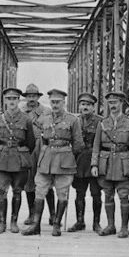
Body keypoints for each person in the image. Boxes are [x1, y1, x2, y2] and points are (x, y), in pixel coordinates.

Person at [22, 89, 84, 236]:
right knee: (40, 190)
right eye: (53, 102)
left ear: (64, 103)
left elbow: (78, 143)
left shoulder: (72, 119)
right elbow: (41, 138)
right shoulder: (45, 118)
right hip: (46, 159)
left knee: (62, 192)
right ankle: (36, 225)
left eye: (58, 102)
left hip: (64, 160)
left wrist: (67, 155)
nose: (55, 105)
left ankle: (56, 224)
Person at [90, 91, 129, 238]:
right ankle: (111, 225)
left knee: (124, 195)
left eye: (115, 103)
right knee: (108, 195)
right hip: (105, 163)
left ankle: (124, 227)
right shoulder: (102, 123)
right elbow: (96, 146)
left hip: (123, 163)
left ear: (122, 103)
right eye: (110, 103)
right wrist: (94, 165)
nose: (113, 106)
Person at [0, 87, 36, 234]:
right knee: (1, 191)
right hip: (2, 159)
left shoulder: (26, 119)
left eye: (14, 99)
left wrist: (21, 152)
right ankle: (2, 223)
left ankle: (14, 222)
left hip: (19, 159)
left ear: (18, 100)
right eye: (9, 99)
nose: (12, 102)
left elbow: (31, 143)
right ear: (5, 100)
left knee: (17, 191)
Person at [19, 83, 55, 226]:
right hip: (28, 148)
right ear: (26, 98)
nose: (31, 99)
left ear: (38, 97)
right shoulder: (22, 112)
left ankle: (52, 214)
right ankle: (32, 214)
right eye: (29, 96)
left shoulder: (46, 111)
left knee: (46, 181)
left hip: (43, 146)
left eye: (34, 96)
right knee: (29, 182)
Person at [67, 92, 103, 233]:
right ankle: (80, 221)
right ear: (79, 106)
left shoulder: (100, 121)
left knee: (96, 193)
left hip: (94, 161)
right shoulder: (74, 121)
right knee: (79, 193)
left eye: (88, 105)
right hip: (79, 160)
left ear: (93, 107)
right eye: (83, 104)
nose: (85, 107)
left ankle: (96, 223)